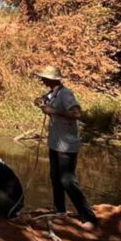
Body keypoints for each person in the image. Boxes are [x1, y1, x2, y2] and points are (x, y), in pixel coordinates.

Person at [34, 65, 98, 230]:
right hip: (55, 143)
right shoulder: (52, 93)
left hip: (67, 145)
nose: (42, 80)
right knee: (55, 177)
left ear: (52, 79)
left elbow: (77, 113)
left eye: (44, 77)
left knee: (67, 180)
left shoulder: (66, 94)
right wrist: (41, 103)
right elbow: (39, 100)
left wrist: (53, 111)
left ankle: (88, 216)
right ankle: (60, 210)